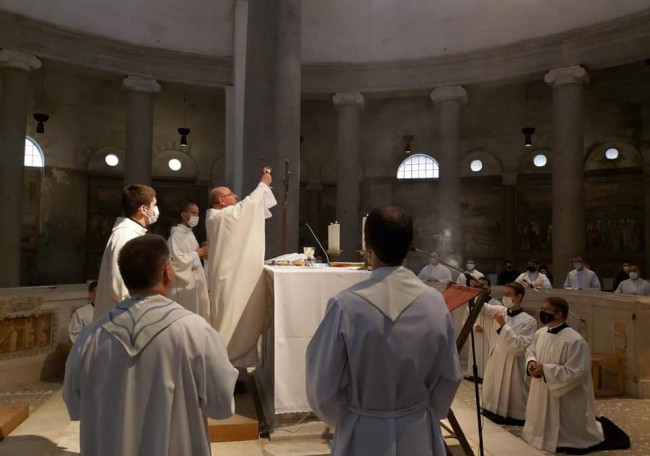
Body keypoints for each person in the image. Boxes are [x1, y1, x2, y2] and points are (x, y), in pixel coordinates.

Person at [64, 235, 238, 456]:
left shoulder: (91, 336)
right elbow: (221, 403)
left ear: (125, 277)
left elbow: (74, 403)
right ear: (167, 273)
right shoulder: (196, 332)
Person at [306, 207, 461, 456]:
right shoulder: (434, 303)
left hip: (362, 433)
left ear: (367, 246)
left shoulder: (346, 305)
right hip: (417, 429)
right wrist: (421, 411)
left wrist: (352, 419)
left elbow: (322, 388)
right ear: (409, 246)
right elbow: (450, 376)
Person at [206, 170, 277, 363]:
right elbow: (249, 205)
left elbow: (247, 208)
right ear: (222, 201)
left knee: (235, 318)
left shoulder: (218, 216)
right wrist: (263, 183)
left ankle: (236, 364)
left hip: (229, 276)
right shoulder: (220, 217)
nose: (236, 196)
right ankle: (223, 361)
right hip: (229, 278)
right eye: (231, 194)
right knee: (229, 319)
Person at [523, 297, 604, 452]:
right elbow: (530, 351)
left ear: (559, 314)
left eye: (546, 310)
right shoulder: (540, 333)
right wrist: (531, 362)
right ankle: (538, 435)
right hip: (541, 388)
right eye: (542, 309)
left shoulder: (575, 340)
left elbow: (577, 371)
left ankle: (564, 439)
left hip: (565, 394)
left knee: (563, 425)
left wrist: (545, 369)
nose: (542, 313)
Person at [93, 184, 158, 321]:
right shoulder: (124, 235)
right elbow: (120, 282)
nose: (156, 210)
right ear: (143, 209)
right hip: (123, 316)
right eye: (154, 205)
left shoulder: (133, 233)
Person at [481, 282, 537, 425]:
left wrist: (503, 325)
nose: (504, 297)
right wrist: (476, 292)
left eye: (508, 294)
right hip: (496, 356)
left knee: (511, 388)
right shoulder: (500, 310)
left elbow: (519, 346)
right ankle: (490, 409)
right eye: (504, 294)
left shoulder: (529, 321)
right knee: (493, 384)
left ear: (518, 297)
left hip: (513, 360)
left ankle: (513, 415)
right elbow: (483, 308)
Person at [167, 202, 210, 319]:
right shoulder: (176, 236)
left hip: (195, 282)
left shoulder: (189, 233)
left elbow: (194, 254)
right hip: (184, 286)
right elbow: (175, 261)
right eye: (193, 213)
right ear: (183, 215)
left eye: (198, 214)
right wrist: (196, 254)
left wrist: (202, 253)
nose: (196, 216)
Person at [465, 277, 503, 381]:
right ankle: (474, 374)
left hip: (489, 334)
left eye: (483, 285)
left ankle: (486, 376)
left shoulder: (496, 303)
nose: (481, 288)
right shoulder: (472, 302)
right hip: (476, 334)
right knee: (475, 353)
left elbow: (499, 320)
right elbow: (466, 318)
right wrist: (474, 326)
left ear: (489, 287)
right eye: (479, 285)